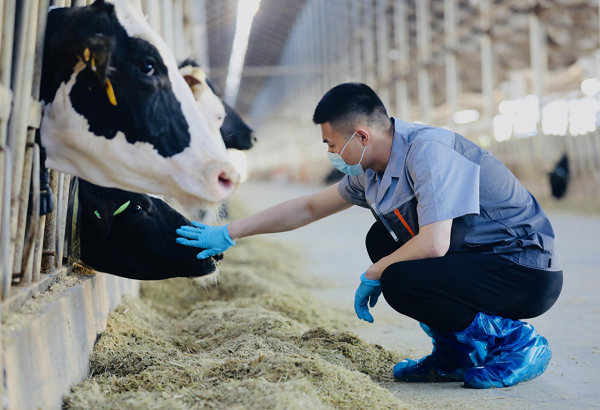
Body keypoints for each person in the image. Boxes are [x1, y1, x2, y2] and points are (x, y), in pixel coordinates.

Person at [175, 83, 563, 389]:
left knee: (398, 275)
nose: (329, 152)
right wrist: (230, 231)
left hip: (523, 270)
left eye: (330, 143)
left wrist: (376, 271)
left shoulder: (429, 152)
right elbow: (308, 208)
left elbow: (434, 244)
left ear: (360, 135)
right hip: (480, 262)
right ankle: (455, 356)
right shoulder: (370, 172)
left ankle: (516, 342)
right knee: (382, 238)